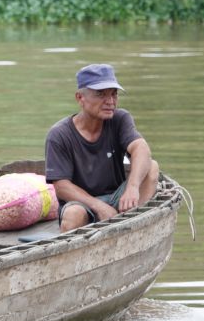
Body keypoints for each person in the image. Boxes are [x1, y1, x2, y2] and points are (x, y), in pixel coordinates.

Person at [45, 63, 159, 233]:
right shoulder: (59, 135)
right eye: (101, 94)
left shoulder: (120, 119)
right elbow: (61, 186)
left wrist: (132, 188)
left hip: (117, 197)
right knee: (73, 215)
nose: (110, 101)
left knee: (152, 168)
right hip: (82, 203)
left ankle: (132, 229)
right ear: (80, 98)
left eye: (114, 94)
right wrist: (98, 206)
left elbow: (140, 148)